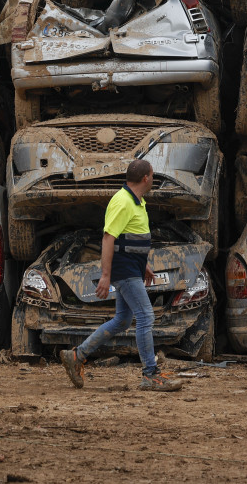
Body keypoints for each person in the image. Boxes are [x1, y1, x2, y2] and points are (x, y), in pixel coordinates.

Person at [60, 159, 181, 392]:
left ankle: (77, 355)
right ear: (146, 178)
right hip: (124, 272)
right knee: (146, 316)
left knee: (123, 320)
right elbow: (109, 237)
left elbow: (132, 239)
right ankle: (150, 375)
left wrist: (143, 265)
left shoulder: (138, 202)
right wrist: (105, 275)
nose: (153, 179)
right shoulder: (123, 201)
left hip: (132, 269)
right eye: (152, 175)